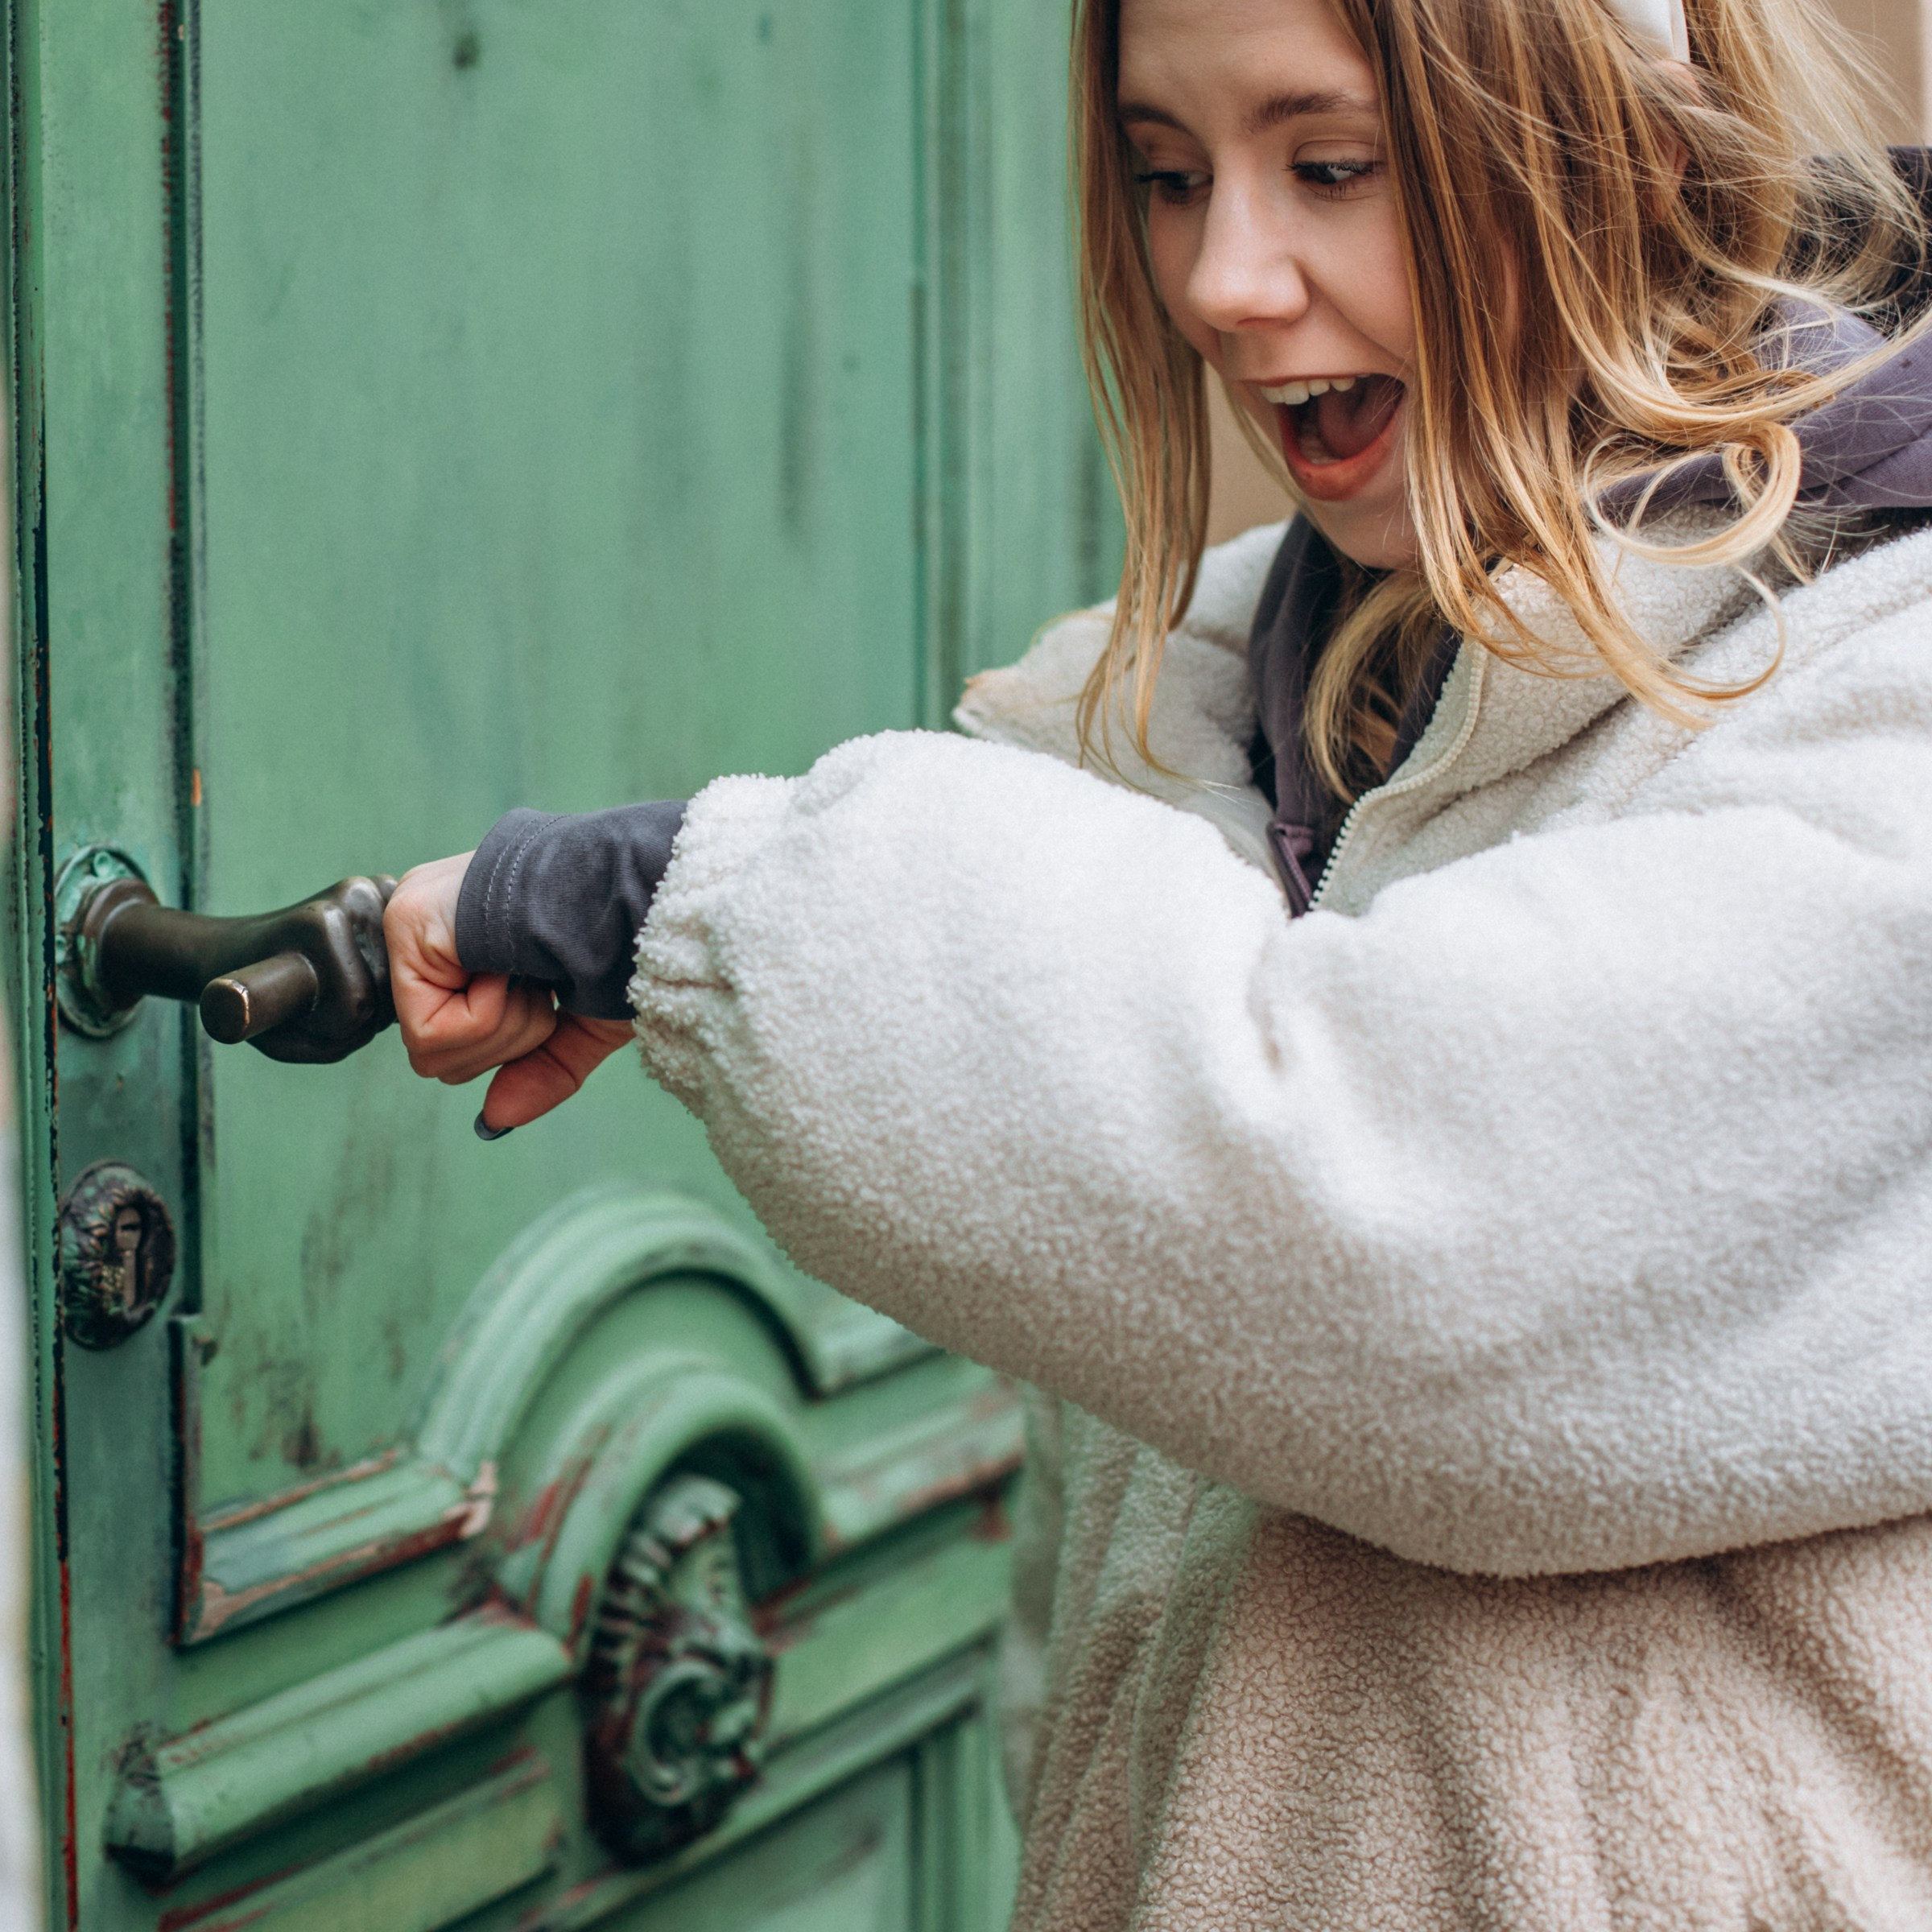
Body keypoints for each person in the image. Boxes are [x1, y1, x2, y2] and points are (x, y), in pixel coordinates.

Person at [385, 0, 1932, 1920]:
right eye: (1166, 174)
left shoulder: (1893, 674)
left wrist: (689, 906)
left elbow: (1407, 1219)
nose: (1223, 276)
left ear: (1619, 135)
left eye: (1334, 164)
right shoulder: (1204, 713)